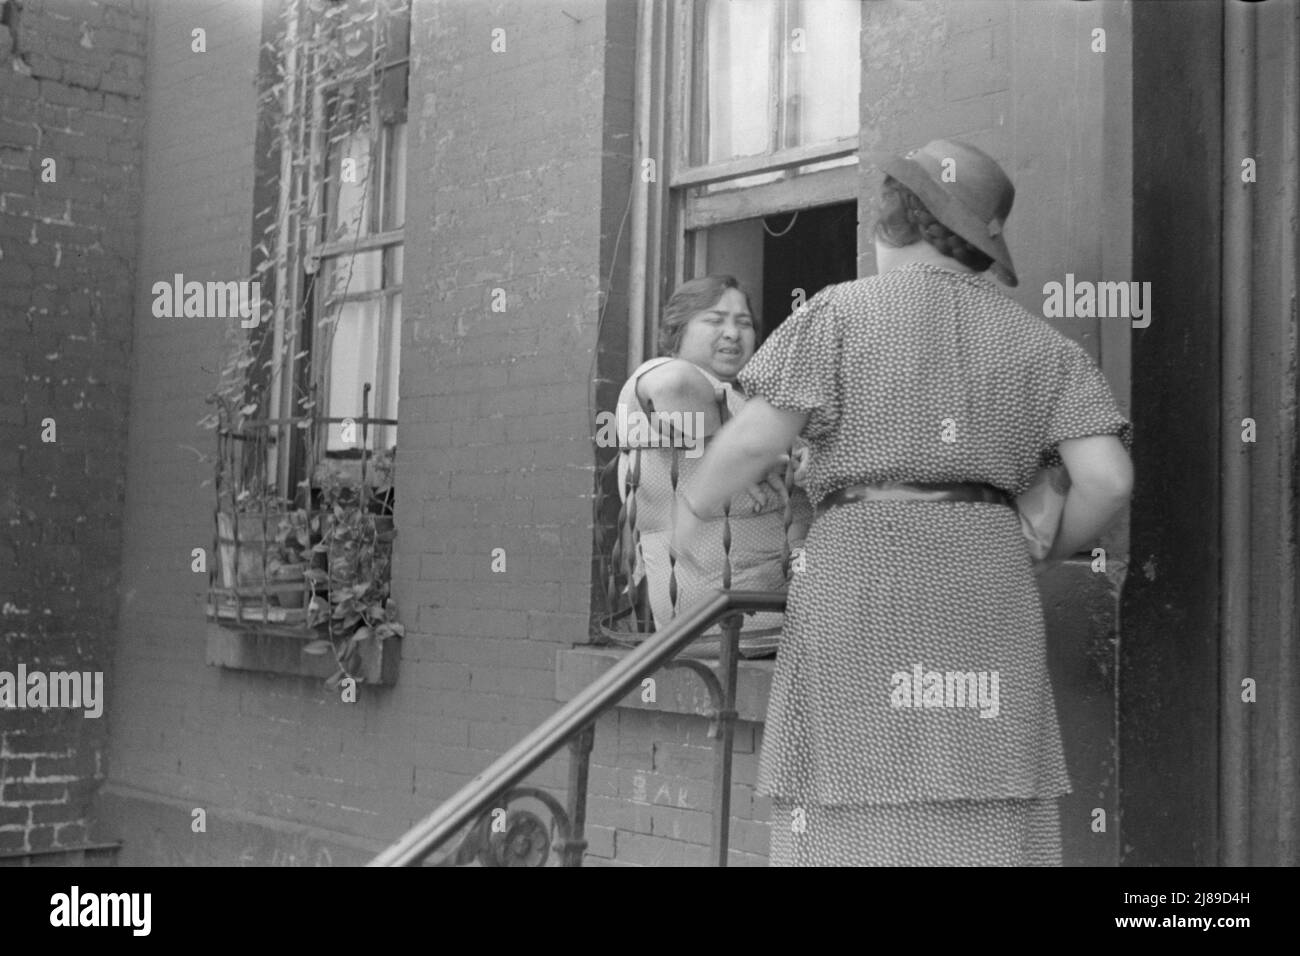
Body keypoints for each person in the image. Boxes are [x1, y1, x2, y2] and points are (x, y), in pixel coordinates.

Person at [671, 139, 1134, 865]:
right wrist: (1041, 547)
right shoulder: (1045, 347)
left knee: (850, 791)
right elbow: (1108, 478)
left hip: (863, 582)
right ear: (978, 248)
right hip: (989, 587)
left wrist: (687, 510)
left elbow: (755, 441)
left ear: (891, 225)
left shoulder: (838, 314)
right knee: (984, 793)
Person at [615, 275, 812, 658]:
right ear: (677, 331)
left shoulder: (752, 399)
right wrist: (740, 453)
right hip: (723, 626)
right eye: (715, 320)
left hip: (785, 618)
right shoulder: (655, 378)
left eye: (743, 323)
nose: (732, 334)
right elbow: (673, 386)